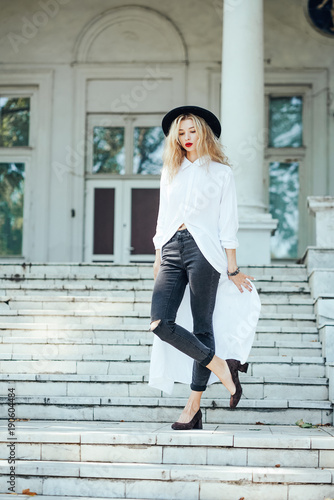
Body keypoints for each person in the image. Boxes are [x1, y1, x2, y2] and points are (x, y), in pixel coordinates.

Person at [148, 105, 261, 430]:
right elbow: (162, 216)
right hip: (171, 248)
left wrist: (233, 267)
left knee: (202, 327)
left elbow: (228, 224)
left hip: (205, 252)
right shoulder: (170, 171)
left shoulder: (221, 173)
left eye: (191, 131)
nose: (185, 138)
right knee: (160, 323)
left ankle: (193, 407)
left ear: (203, 132)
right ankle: (221, 366)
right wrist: (158, 255)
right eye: (180, 133)